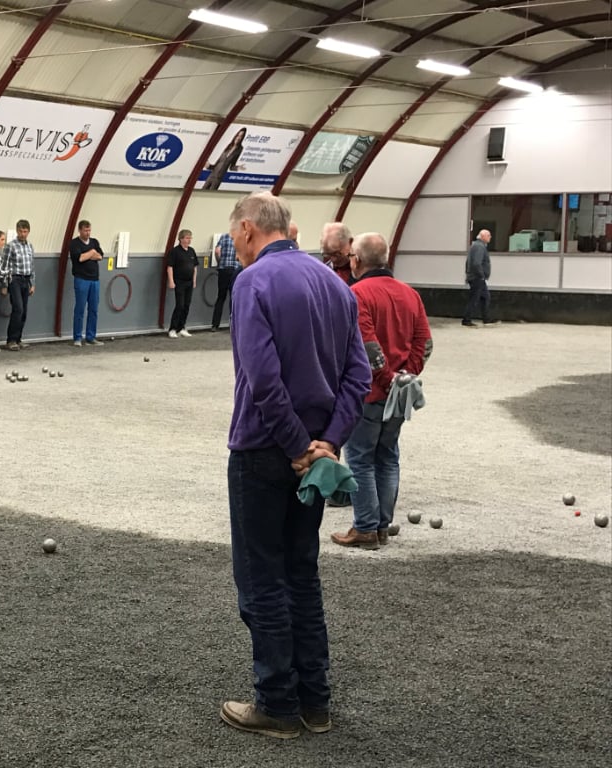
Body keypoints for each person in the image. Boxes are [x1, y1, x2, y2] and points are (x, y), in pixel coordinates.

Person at [220, 191, 371, 740]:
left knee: (262, 577)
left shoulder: (252, 282)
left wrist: (294, 445)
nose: (234, 243)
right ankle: (315, 701)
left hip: (265, 450)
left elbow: (261, 378)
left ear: (248, 228)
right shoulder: (336, 284)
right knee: (302, 574)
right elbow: (358, 376)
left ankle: (276, 703)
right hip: (318, 458)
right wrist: (327, 443)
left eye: (234, 234)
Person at [330, 233, 432, 551]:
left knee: (360, 458)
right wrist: (406, 376)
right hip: (399, 394)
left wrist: (387, 380)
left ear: (356, 260)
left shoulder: (357, 294)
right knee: (388, 457)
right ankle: (382, 525)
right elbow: (424, 343)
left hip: (369, 392)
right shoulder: (410, 294)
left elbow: (367, 343)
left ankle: (364, 528)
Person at [68, 220, 104, 347]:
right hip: (81, 279)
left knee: (93, 309)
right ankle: (77, 337)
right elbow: (80, 258)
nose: (88, 233)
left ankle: (91, 336)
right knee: (80, 309)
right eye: (85, 230)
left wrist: (91, 254)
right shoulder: (74, 243)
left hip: (95, 280)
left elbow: (100, 256)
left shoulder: (94, 242)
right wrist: (91, 253)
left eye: (89, 230)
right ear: (80, 230)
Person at [1, 219, 35, 351]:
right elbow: (5, 266)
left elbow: (32, 266)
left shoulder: (30, 246)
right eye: (21, 231)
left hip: (26, 280)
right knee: (18, 309)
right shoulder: (10, 246)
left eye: (25, 231)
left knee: (24, 311)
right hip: (14, 279)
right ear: (17, 231)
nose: (23, 234)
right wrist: (4, 285)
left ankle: (19, 338)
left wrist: (33, 283)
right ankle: (11, 340)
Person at [167, 229, 198, 338]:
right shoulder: (175, 252)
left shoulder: (191, 251)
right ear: (181, 239)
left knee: (186, 305)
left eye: (190, 238)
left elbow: (194, 267)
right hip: (179, 282)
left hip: (189, 282)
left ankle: (181, 327)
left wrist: (194, 280)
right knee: (179, 305)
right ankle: (173, 328)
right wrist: (171, 281)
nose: (189, 240)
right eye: (187, 238)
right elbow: (170, 267)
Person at [463, 229, 498, 327]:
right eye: (488, 235)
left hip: (475, 277)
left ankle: (486, 318)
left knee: (485, 297)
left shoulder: (476, 246)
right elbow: (476, 263)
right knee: (475, 299)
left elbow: (468, 262)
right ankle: (467, 319)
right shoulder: (479, 247)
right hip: (477, 278)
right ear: (483, 236)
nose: (490, 237)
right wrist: (482, 275)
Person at [211, 231, 239, 332]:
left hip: (223, 270)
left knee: (220, 297)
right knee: (233, 298)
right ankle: (233, 325)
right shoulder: (242, 237)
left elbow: (217, 251)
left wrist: (220, 262)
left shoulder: (224, 236)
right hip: (235, 270)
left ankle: (215, 325)